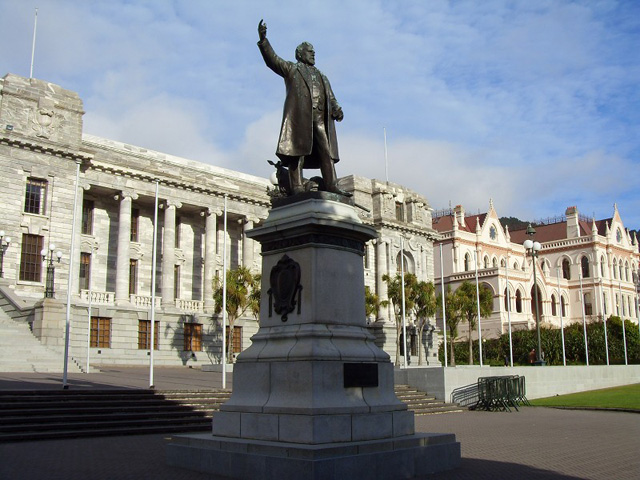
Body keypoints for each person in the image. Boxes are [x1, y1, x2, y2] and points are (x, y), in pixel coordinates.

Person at [257, 19, 348, 196]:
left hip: (321, 119)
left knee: (326, 152)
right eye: (309, 51)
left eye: (314, 52)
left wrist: (337, 109)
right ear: (300, 54)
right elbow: (273, 61)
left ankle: (331, 185)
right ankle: (297, 186)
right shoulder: (292, 69)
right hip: (301, 119)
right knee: (297, 153)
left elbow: (330, 95)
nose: (313, 54)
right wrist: (263, 41)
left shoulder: (322, 75)